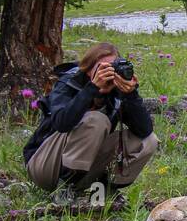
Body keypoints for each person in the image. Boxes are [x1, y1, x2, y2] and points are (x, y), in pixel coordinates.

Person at [23, 43, 159, 207]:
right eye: (103, 68)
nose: (109, 73)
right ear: (88, 69)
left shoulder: (116, 91)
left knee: (148, 141)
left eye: (113, 67)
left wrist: (131, 95)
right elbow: (61, 123)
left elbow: (144, 130)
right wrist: (91, 89)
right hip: (46, 165)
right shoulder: (69, 82)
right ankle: (64, 189)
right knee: (96, 120)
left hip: (85, 169)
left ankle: (104, 189)